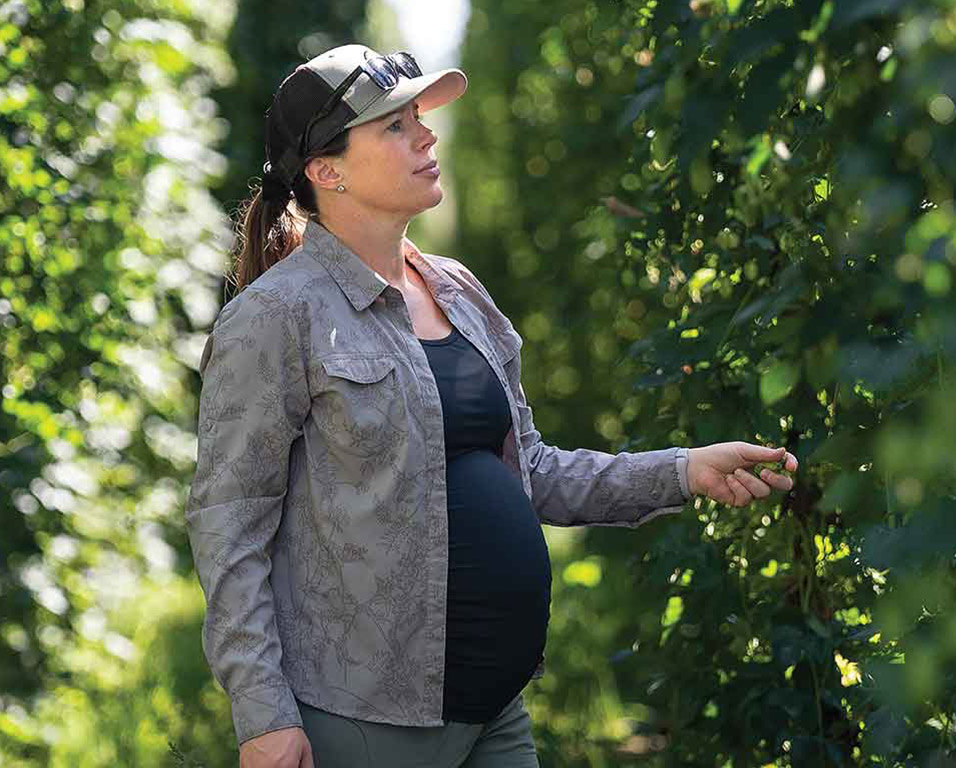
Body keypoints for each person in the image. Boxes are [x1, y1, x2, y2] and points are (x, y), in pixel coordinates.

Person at [184, 43, 799, 768]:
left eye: (420, 116)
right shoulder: (275, 317)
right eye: (393, 126)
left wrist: (684, 471)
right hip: (365, 723)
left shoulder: (458, 290)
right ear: (327, 171)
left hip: (494, 712)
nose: (426, 135)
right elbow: (229, 524)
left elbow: (530, 468)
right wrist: (263, 715)